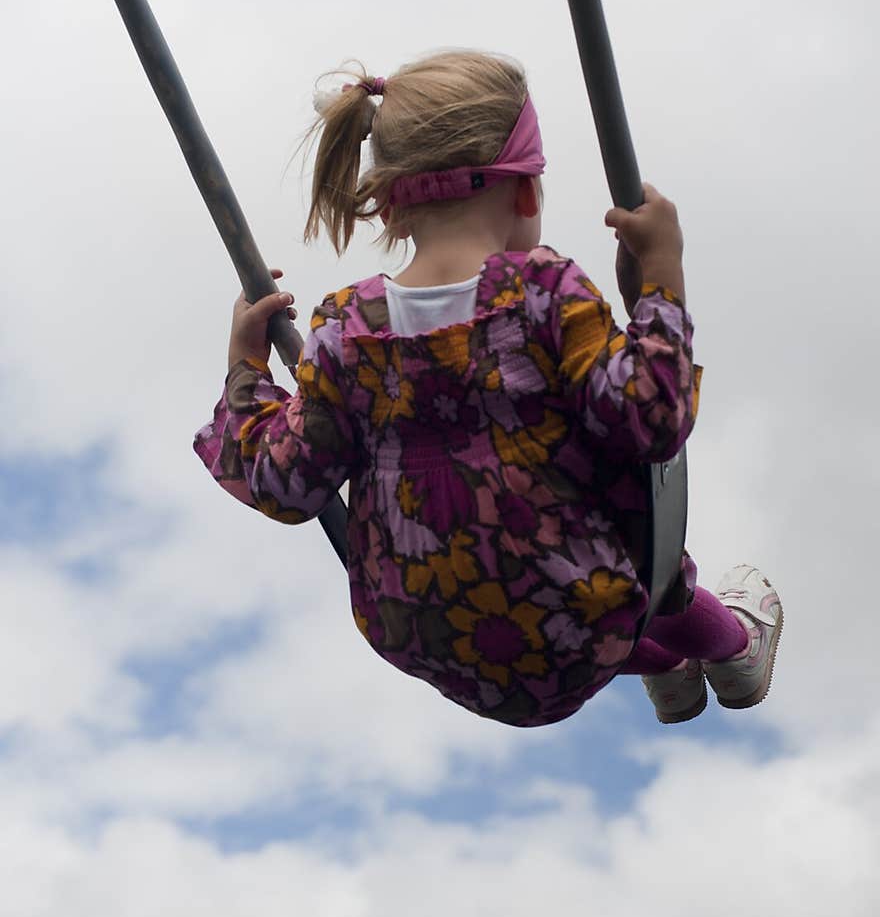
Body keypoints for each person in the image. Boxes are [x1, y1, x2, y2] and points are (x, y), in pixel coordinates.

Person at [194, 50, 782, 727]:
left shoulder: (342, 332)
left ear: (388, 207)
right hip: (585, 611)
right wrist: (660, 283)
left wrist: (247, 370)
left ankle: (670, 671)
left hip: (436, 639)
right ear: (526, 191)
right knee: (602, 538)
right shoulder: (544, 293)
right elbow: (652, 420)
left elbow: (282, 481)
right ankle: (735, 648)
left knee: (512, 557)